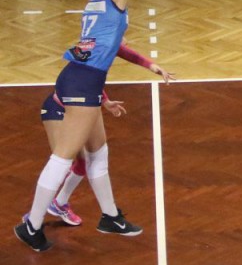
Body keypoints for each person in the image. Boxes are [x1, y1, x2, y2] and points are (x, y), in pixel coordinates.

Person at [14, 0, 148, 252]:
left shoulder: (96, 2)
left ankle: (110, 216)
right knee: (63, 158)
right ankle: (32, 224)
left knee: (98, 152)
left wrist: (144, 67)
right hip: (82, 84)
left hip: (82, 79)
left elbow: (99, 51)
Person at [43, 45, 174, 227]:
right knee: (61, 163)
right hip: (57, 108)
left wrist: (151, 66)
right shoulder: (93, 50)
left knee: (81, 164)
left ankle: (59, 203)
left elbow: (95, 80)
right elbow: (83, 80)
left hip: (76, 109)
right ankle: (34, 218)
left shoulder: (104, 49)